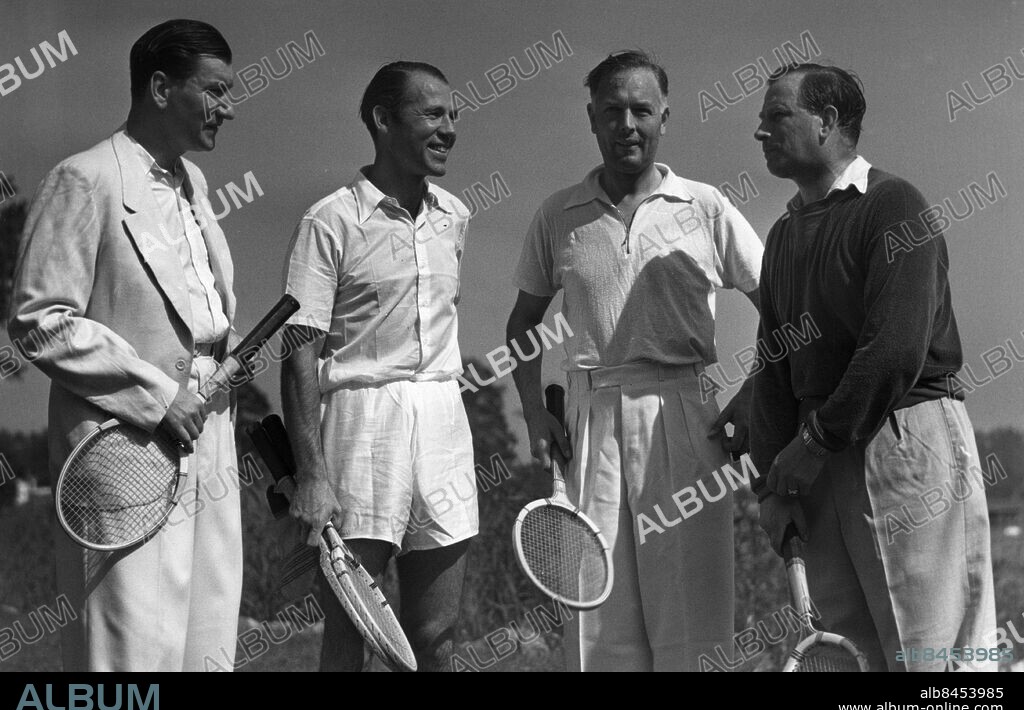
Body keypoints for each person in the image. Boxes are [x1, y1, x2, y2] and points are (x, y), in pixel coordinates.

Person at [506, 51, 763, 671]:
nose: (628, 124)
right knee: (598, 626)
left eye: (642, 110)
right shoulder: (558, 214)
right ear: (591, 118)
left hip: (683, 415)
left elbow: (777, 304)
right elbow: (522, 326)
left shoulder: (704, 206)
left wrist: (753, 397)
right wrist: (537, 416)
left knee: (693, 619)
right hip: (588, 421)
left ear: (665, 117)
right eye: (613, 111)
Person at [7, 19, 241, 671]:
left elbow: (203, 315)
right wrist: (158, 396)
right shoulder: (84, 178)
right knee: (131, 650)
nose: (230, 106)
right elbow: (39, 318)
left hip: (210, 440)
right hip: (124, 446)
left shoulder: (197, 189)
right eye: (216, 90)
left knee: (206, 642)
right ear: (161, 87)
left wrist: (227, 353)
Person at [750, 63, 997, 672]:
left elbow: (895, 349)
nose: (760, 132)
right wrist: (770, 485)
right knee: (852, 662)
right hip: (820, 460)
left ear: (828, 122)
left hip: (906, 442)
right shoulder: (782, 235)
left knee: (938, 664)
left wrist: (811, 443)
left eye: (776, 116)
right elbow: (773, 369)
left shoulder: (894, 204)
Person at [281, 61, 475, 672]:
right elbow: (298, 350)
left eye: (452, 115)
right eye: (432, 114)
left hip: (443, 416)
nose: (447, 129)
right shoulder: (329, 219)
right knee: (353, 627)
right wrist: (311, 473)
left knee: (436, 629)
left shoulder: (457, 217)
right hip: (361, 422)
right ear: (383, 120)